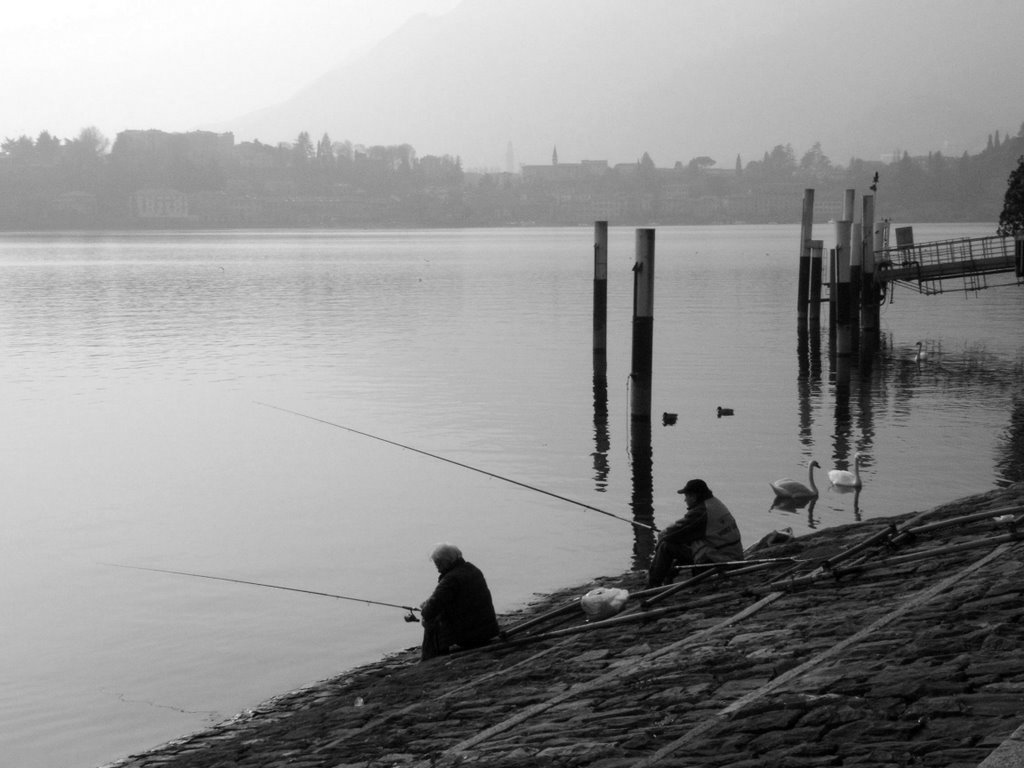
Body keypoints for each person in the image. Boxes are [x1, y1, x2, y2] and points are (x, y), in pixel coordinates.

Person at [646, 478, 744, 588]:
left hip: (722, 561)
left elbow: (673, 533)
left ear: (694, 496)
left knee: (666, 545)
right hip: (734, 556)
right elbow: (687, 531)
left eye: (686, 496)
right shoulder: (714, 503)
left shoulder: (701, 512)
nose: (685, 500)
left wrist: (663, 534)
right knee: (687, 541)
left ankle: (652, 586)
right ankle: (669, 576)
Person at [420, 543, 499, 661]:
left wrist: (425, 607)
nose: (437, 566)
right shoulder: (472, 569)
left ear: (448, 560)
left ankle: (429, 659)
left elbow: (429, 610)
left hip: (470, 635)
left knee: (430, 620)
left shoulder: (451, 579)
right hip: (488, 630)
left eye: (439, 562)